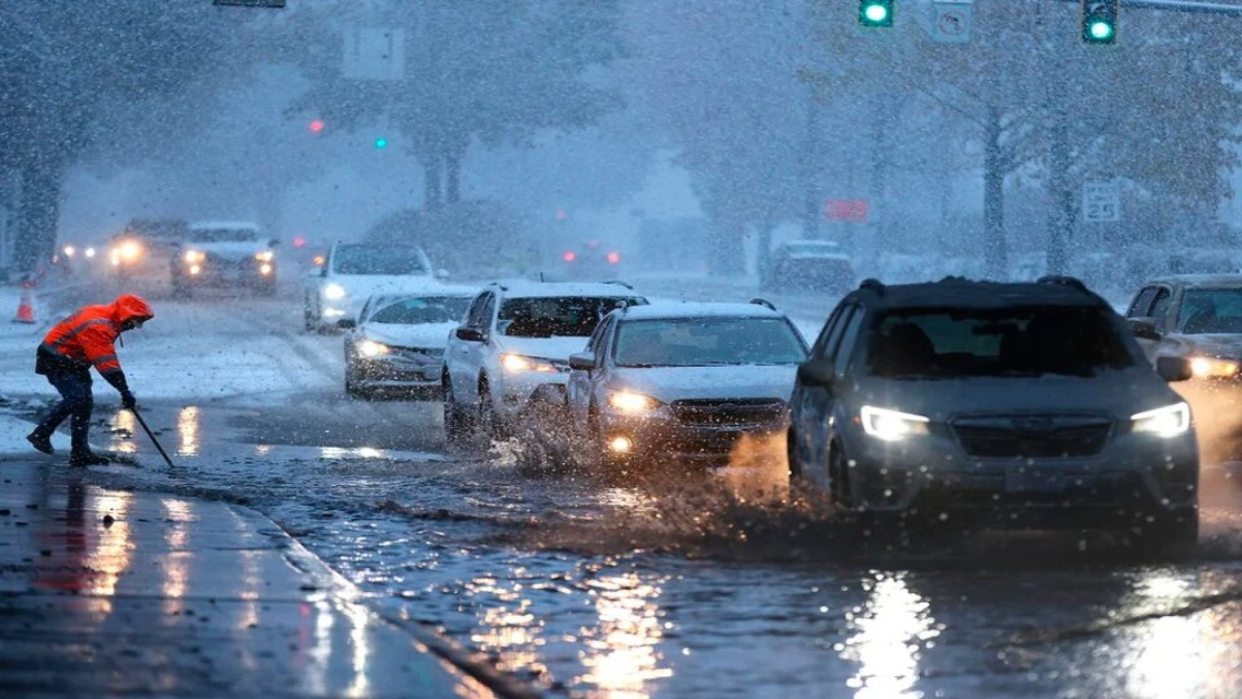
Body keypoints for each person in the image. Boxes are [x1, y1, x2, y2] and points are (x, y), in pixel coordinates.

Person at [26, 294, 154, 466]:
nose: (134, 327)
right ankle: (42, 434)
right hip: (56, 359)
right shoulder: (99, 326)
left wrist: (123, 389)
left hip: (73, 360)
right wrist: (123, 390)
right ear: (126, 314)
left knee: (84, 402)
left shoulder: (107, 317)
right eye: (135, 322)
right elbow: (106, 362)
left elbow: (102, 357)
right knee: (77, 398)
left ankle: (79, 453)